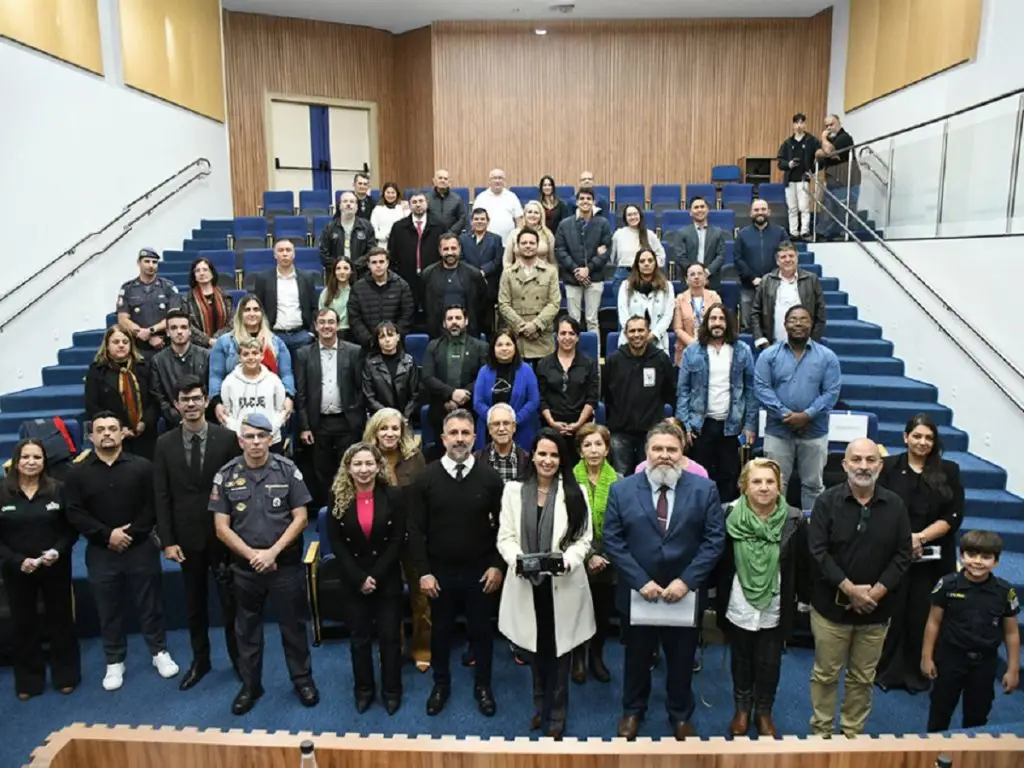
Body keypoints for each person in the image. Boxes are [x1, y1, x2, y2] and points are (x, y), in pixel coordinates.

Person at [602, 421, 725, 740]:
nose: (665, 455)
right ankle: (632, 711)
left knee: (682, 660)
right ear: (646, 453)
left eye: (672, 449)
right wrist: (640, 581)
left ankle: (680, 714)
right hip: (638, 593)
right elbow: (613, 540)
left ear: (683, 453)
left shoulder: (705, 489)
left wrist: (686, 581)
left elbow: (714, 541)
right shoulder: (622, 489)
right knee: (636, 658)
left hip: (683, 595)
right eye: (658, 449)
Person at [211, 413, 319, 715]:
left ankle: (302, 680)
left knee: (294, 628)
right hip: (245, 569)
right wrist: (253, 556)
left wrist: (272, 553)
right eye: (250, 436)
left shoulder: (288, 470)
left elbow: (301, 517)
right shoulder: (226, 475)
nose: (256, 442)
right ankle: (250, 685)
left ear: (271, 439)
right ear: (240, 439)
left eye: (262, 436)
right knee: (246, 630)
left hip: (283, 565)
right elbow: (221, 527)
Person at [65, 412, 179, 692]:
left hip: (139, 547)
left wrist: (131, 533)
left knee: (150, 603)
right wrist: (108, 535)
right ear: (91, 437)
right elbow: (74, 512)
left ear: (122, 433)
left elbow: (154, 505)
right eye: (100, 429)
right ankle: (115, 660)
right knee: (108, 608)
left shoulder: (142, 466)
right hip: (101, 551)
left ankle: (159, 652)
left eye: (112, 429)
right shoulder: (77, 473)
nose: (106, 434)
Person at [807, 437, 912, 738]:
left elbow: (903, 554)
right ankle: (821, 733)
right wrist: (850, 589)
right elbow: (817, 552)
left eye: (870, 460)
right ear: (844, 464)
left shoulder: (895, 505)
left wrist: (875, 592)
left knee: (863, 678)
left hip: (876, 611)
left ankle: (852, 734)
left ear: (880, 464)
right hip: (831, 610)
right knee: (826, 675)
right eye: (856, 460)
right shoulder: (826, 501)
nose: (863, 466)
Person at [496, 428, 595, 739]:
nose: (547, 460)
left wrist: (568, 561)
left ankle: (558, 714)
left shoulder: (575, 490)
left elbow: (584, 539)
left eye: (554, 455)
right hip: (527, 585)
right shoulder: (513, 491)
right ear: (533, 456)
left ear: (561, 458)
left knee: (560, 654)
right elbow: (505, 537)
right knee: (535, 652)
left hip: (562, 585)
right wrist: (517, 561)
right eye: (542, 454)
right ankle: (540, 708)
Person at [409, 410, 505, 717]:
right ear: (443, 438)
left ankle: (484, 686)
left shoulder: (490, 478)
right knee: (441, 632)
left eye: (466, 433)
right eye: (454, 433)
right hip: (439, 574)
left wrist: (496, 565)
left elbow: (506, 526)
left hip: (481, 573)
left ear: (476, 437)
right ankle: (440, 684)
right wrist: (423, 571)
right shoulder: (426, 478)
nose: (460, 439)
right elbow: (415, 530)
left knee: (482, 632)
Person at [153, 376, 242, 690]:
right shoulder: (164, 444)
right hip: (185, 540)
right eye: (184, 399)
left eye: (196, 398)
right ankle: (200, 661)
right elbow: (161, 496)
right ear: (176, 405)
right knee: (195, 606)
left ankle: (239, 659)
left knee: (231, 604)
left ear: (206, 401)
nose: (190, 404)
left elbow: (238, 491)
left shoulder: (227, 438)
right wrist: (167, 540)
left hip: (223, 537)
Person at [714, 458, 806, 737]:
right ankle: (742, 709)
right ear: (744, 486)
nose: (764, 487)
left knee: (769, 662)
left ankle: (764, 712)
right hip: (739, 598)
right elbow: (717, 560)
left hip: (775, 602)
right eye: (757, 481)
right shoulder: (727, 513)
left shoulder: (794, 519)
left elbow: (803, 565)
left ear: (779, 486)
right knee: (741, 657)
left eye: (770, 482)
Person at [875, 414, 965, 693]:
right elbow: (879, 508)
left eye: (928, 437)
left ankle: (919, 672)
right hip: (894, 554)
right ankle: (887, 672)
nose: (923, 442)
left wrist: (920, 538)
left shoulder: (949, 470)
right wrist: (905, 540)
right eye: (917, 436)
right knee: (895, 611)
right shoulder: (889, 466)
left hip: (933, 558)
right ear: (905, 437)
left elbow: (954, 515)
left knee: (922, 613)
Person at [325, 442, 407, 715]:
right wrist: (360, 577)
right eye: (357, 464)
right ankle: (364, 690)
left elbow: (397, 541)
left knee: (389, 638)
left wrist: (375, 575)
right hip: (352, 578)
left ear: (378, 466)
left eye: (369, 463)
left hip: (387, 578)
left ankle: (391, 690)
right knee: (359, 638)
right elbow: (337, 543)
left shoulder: (393, 495)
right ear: (348, 468)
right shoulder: (337, 497)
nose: (363, 469)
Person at [0, 438, 80, 700]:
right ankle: (29, 681)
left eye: (37, 457)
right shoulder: (2, 493)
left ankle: (66, 676)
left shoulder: (58, 490)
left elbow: (70, 530)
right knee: (23, 624)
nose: (31, 462)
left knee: (61, 621)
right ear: (16, 461)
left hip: (55, 566)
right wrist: (16, 560)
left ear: (44, 462)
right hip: (17, 570)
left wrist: (57, 550)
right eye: (26, 457)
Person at [922, 530, 1020, 732]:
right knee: (941, 710)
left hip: (984, 663)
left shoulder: (1004, 591)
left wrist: (1012, 669)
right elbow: (933, 622)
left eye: (986, 557)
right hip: (950, 658)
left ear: (996, 561)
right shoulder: (947, 585)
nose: (977, 561)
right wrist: (926, 657)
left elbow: (1011, 633)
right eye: (972, 555)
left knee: (977, 715)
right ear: (961, 556)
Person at [754, 305, 842, 509]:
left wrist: (807, 415)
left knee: (813, 485)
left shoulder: (827, 357)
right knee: (775, 484)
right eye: (793, 319)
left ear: (811, 325)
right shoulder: (769, 355)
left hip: (814, 432)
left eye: (804, 319)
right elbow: (761, 388)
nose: (798, 324)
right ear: (785, 325)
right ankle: (776, 532)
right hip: (778, 431)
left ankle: (813, 532)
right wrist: (786, 415)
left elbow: (831, 392)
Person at [363, 408, 430, 671]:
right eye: (384, 428)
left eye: (395, 428)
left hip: (413, 538)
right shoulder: (365, 457)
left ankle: (423, 647)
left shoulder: (415, 458)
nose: (389, 433)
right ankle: (393, 649)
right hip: (380, 540)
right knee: (387, 600)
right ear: (375, 431)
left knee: (421, 597)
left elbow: (425, 497)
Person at [676, 305, 757, 503]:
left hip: (731, 426)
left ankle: (725, 522)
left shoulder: (742, 351)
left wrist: (749, 425)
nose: (717, 323)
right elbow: (683, 391)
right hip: (700, 426)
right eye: (713, 319)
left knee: (729, 478)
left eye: (721, 318)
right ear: (706, 323)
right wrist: (684, 425)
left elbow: (751, 390)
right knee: (700, 477)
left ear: (728, 323)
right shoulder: (693, 351)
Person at [294, 308, 366, 507]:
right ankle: (328, 514)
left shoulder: (353, 351)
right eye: (322, 322)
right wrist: (305, 426)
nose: (327, 326)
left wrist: (358, 418)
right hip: (318, 423)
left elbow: (361, 388)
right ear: (316, 326)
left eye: (331, 322)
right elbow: (301, 394)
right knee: (322, 472)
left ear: (338, 324)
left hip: (347, 421)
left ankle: (349, 511)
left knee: (349, 469)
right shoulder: (303, 354)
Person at [571, 423, 620, 685]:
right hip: (578, 557)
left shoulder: (620, 482)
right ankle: (578, 657)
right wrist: (589, 555)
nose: (593, 450)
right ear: (580, 451)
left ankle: (597, 657)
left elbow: (622, 526)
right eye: (587, 445)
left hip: (608, 561)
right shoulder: (568, 480)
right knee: (578, 610)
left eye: (598, 444)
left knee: (602, 613)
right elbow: (568, 525)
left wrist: (604, 556)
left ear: (607, 448)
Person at [603, 315, 676, 476]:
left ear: (648, 332)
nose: (637, 335)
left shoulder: (660, 359)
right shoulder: (614, 360)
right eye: (632, 331)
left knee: (651, 476)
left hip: (651, 432)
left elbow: (670, 393)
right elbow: (605, 394)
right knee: (620, 477)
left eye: (641, 330)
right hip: (620, 432)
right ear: (626, 333)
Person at [209, 294, 295, 416]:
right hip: (236, 404)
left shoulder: (276, 342)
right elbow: (215, 376)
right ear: (240, 314)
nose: (252, 313)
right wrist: (217, 403)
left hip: (269, 404)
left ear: (262, 314)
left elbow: (286, 374)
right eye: (247, 310)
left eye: (256, 309)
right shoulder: (224, 342)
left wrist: (288, 397)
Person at [421, 305, 489, 459]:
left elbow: (483, 378)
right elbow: (427, 377)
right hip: (441, 409)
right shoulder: (433, 346)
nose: (454, 322)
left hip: (472, 410)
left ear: (466, 321)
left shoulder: (480, 347)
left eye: (458, 318)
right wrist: (451, 394)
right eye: (450, 319)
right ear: (444, 323)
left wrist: (463, 396)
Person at [85, 324, 159, 460]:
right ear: (107, 345)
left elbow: (154, 399)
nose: (121, 345)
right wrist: (119, 428)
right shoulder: (97, 371)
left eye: (125, 342)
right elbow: (92, 405)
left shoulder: (144, 367)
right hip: (113, 435)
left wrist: (144, 423)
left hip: (146, 434)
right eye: (116, 342)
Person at [536, 316, 599, 466]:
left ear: (577, 337)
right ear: (556, 336)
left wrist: (578, 424)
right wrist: (552, 422)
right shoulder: (543, 364)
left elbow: (592, 398)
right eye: (563, 333)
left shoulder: (588, 364)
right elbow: (541, 398)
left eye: (571, 333)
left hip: (582, 428)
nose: (567, 337)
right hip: (551, 427)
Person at [497, 228, 562, 363]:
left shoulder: (550, 272)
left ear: (537, 246)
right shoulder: (508, 273)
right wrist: (522, 326)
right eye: (524, 243)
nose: (528, 246)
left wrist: (536, 325)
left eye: (532, 243)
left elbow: (554, 303)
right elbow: (503, 303)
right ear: (517, 246)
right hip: (517, 336)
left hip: (542, 336)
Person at [473, 329, 540, 451]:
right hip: (489, 432)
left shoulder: (526, 370)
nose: (504, 348)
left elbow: (533, 401)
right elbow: (478, 402)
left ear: (515, 347)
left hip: (521, 430)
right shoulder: (484, 371)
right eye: (499, 345)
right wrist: (496, 422)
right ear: (493, 348)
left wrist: (513, 421)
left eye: (508, 344)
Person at [555, 188, 612, 334]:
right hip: (571, 278)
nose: (585, 201)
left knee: (592, 319)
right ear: (577, 202)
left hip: (595, 278)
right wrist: (576, 270)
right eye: (582, 198)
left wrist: (589, 269)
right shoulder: (565, 224)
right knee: (573, 320)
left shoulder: (603, 223)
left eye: (588, 198)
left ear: (593, 202)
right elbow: (560, 250)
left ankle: (594, 354)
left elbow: (606, 251)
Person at [751, 242, 827, 350]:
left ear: (797, 258)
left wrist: (813, 342)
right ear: (777, 261)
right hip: (773, 346)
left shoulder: (811, 279)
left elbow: (820, 312)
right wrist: (761, 340)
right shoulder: (766, 281)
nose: (787, 260)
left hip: (805, 346)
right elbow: (755, 312)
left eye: (791, 256)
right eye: (783, 257)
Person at [250, 239, 318, 356]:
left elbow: (314, 307)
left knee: (301, 374)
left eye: (288, 250)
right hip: (274, 336)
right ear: (275, 255)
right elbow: (258, 308)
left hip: (301, 336)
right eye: (280, 250)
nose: (285, 253)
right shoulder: (263, 278)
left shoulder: (307, 278)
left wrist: (311, 333)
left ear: (294, 254)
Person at [220, 338, 290, 450]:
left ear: (262, 356)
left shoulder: (274, 380)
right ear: (239, 357)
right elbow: (227, 414)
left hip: (271, 440)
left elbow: (281, 410)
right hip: (240, 441)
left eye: (255, 353)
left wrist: (268, 433)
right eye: (246, 354)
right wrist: (243, 435)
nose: (251, 357)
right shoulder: (229, 382)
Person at [150, 308, 211, 430]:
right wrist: (177, 417)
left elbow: (211, 390)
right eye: (174, 328)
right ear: (167, 332)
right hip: (174, 424)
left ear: (189, 331)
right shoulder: (157, 360)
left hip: (205, 421)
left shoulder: (206, 356)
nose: (179, 332)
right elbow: (159, 397)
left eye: (183, 327)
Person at [115, 247, 181, 358]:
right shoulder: (128, 288)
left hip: (164, 346)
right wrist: (145, 335)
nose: (151, 265)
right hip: (137, 348)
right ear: (139, 263)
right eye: (147, 261)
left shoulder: (168, 287)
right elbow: (123, 319)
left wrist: (151, 331)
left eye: (154, 262)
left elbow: (174, 317)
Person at [733, 200, 789, 331]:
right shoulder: (742, 234)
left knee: (774, 324)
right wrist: (753, 278)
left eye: (763, 209)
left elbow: (786, 256)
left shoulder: (780, 232)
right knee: (748, 324)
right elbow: (738, 259)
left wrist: (770, 278)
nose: (760, 213)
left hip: (775, 284)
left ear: (768, 212)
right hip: (748, 285)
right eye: (756, 210)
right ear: (751, 213)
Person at [387, 191, 445, 316]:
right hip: (406, 279)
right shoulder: (398, 227)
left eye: (421, 201)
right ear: (409, 205)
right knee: (407, 315)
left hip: (432, 279)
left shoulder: (439, 226)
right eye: (414, 202)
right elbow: (392, 254)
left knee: (433, 316)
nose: (418, 205)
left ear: (427, 203)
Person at [421, 233, 488, 338]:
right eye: (446, 249)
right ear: (439, 250)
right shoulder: (428, 274)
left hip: (469, 334)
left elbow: (482, 303)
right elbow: (423, 302)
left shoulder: (473, 274)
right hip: (437, 334)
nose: (450, 252)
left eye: (453, 248)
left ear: (460, 249)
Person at [347, 247, 415, 349]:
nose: (378, 265)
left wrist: (393, 338)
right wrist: (370, 340)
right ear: (368, 265)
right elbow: (354, 318)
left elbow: (407, 315)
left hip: (395, 346)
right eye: (374, 262)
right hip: (368, 347)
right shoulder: (358, 288)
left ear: (387, 263)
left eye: (381, 261)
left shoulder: (402, 285)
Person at [617, 248, 675, 353]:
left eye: (650, 260)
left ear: (655, 264)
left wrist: (653, 335)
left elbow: (668, 316)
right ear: (637, 265)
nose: (646, 264)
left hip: (658, 342)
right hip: (631, 341)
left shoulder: (667, 286)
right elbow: (623, 314)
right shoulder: (625, 286)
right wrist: (636, 335)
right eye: (642, 261)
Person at [362, 321, 420, 422]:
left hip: (404, 419)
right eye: (382, 337)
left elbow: (415, 395)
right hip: (379, 419)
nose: (387, 340)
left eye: (390, 335)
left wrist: (404, 416)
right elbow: (369, 397)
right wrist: (387, 416)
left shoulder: (409, 362)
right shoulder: (370, 364)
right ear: (378, 341)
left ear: (397, 337)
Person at [816, 114, 861, 241]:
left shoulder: (845, 137)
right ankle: (821, 234)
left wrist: (823, 139)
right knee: (828, 207)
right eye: (826, 126)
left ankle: (847, 235)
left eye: (832, 124)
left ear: (839, 123)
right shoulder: (831, 140)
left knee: (845, 207)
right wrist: (824, 150)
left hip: (847, 179)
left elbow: (828, 151)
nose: (829, 128)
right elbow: (818, 154)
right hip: (832, 179)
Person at [664, 197, 726, 288]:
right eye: (696, 207)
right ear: (690, 212)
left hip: (711, 280)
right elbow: (680, 256)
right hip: (688, 281)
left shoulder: (718, 232)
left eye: (702, 207)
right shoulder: (682, 233)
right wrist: (695, 273)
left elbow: (721, 255)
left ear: (707, 210)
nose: (699, 209)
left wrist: (706, 273)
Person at [778, 113, 821, 240]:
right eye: (796, 123)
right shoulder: (787, 143)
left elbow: (820, 158)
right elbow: (780, 162)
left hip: (803, 179)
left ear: (805, 124)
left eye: (802, 122)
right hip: (790, 179)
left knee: (804, 207)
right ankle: (793, 233)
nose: (799, 125)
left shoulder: (812, 141)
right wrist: (789, 164)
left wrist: (812, 171)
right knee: (792, 208)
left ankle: (804, 231)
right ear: (793, 125)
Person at [610, 205, 666, 299]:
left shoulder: (649, 234)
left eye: (635, 214)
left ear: (640, 215)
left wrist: (651, 266)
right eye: (629, 215)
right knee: (622, 310)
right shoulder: (618, 234)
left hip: (644, 276)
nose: (633, 217)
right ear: (625, 218)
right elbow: (612, 257)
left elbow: (661, 255)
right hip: (623, 275)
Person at [672, 262, 723, 363]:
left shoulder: (715, 297)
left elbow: (719, 323)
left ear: (705, 278)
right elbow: (678, 329)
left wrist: (705, 344)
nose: (696, 277)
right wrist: (694, 345)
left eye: (700, 274)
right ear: (687, 280)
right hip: (686, 350)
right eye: (692, 274)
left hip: (711, 348)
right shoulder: (680, 299)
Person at [460, 208, 505, 316]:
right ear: (471, 221)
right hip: (468, 283)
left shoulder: (496, 239)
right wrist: (474, 272)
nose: (479, 221)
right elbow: (461, 259)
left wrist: (483, 271)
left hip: (489, 284)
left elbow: (497, 260)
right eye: (476, 219)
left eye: (482, 219)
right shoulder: (462, 238)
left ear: (488, 221)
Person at [318, 190, 375, 272]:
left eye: (352, 202)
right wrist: (340, 266)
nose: (348, 204)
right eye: (345, 201)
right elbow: (323, 253)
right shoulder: (330, 227)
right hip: (336, 274)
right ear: (340, 206)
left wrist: (354, 266)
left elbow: (371, 251)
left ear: (356, 207)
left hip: (360, 274)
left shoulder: (366, 226)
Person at [184, 256, 233, 348]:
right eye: (197, 271)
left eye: (205, 270)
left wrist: (217, 339)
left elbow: (232, 322)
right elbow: (187, 325)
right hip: (197, 348)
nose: (201, 273)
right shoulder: (187, 299)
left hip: (223, 344)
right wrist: (208, 341)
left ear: (212, 273)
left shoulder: (225, 296)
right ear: (194, 275)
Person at [474, 403, 530, 484]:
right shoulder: (475, 461)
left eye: (506, 423)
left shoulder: (528, 462)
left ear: (514, 427)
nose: (501, 428)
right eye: (496, 424)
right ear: (489, 429)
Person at [472, 169, 524, 243]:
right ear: (489, 181)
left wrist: (518, 238)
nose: (497, 181)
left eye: (500, 178)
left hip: (508, 243)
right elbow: (475, 222)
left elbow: (519, 221)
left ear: (504, 181)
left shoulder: (512, 196)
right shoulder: (481, 198)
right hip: (486, 244)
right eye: (494, 178)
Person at [503, 200, 556, 267]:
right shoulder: (514, 234)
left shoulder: (548, 234)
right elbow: (507, 261)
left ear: (541, 216)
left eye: (536, 213)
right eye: (529, 212)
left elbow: (553, 262)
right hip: (518, 274)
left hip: (543, 274)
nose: (532, 215)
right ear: (525, 214)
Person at [318, 258, 353, 341]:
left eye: (346, 268)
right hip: (331, 332)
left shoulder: (356, 290)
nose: (342, 272)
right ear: (334, 272)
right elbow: (322, 314)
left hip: (352, 333)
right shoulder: (326, 292)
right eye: (338, 268)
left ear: (351, 271)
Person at [426, 168, 468, 234]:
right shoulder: (426, 198)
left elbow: (462, 219)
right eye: (440, 178)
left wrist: (451, 233)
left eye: (445, 179)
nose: (443, 180)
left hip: (452, 236)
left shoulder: (457, 199)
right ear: (434, 180)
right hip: (431, 235)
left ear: (449, 182)